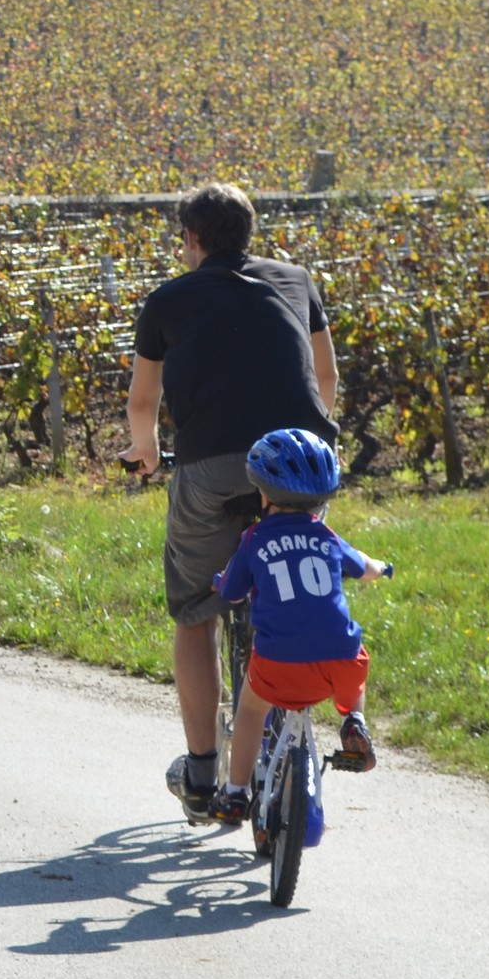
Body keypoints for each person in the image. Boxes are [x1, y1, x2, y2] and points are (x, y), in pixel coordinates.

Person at [122, 182, 339, 823]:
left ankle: (199, 772)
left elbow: (143, 404)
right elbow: (325, 378)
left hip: (213, 467)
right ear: (250, 232)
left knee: (196, 612)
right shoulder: (298, 280)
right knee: (296, 582)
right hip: (298, 464)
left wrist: (148, 452)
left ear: (192, 239)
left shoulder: (168, 300)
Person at [207, 428, 383, 821]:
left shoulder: (254, 539)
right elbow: (365, 568)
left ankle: (235, 794)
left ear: (263, 495)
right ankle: (354, 720)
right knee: (355, 650)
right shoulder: (327, 537)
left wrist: (220, 580)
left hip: (279, 664)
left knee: (252, 710)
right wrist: (383, 568)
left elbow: (233, 593)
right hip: (337, 664)